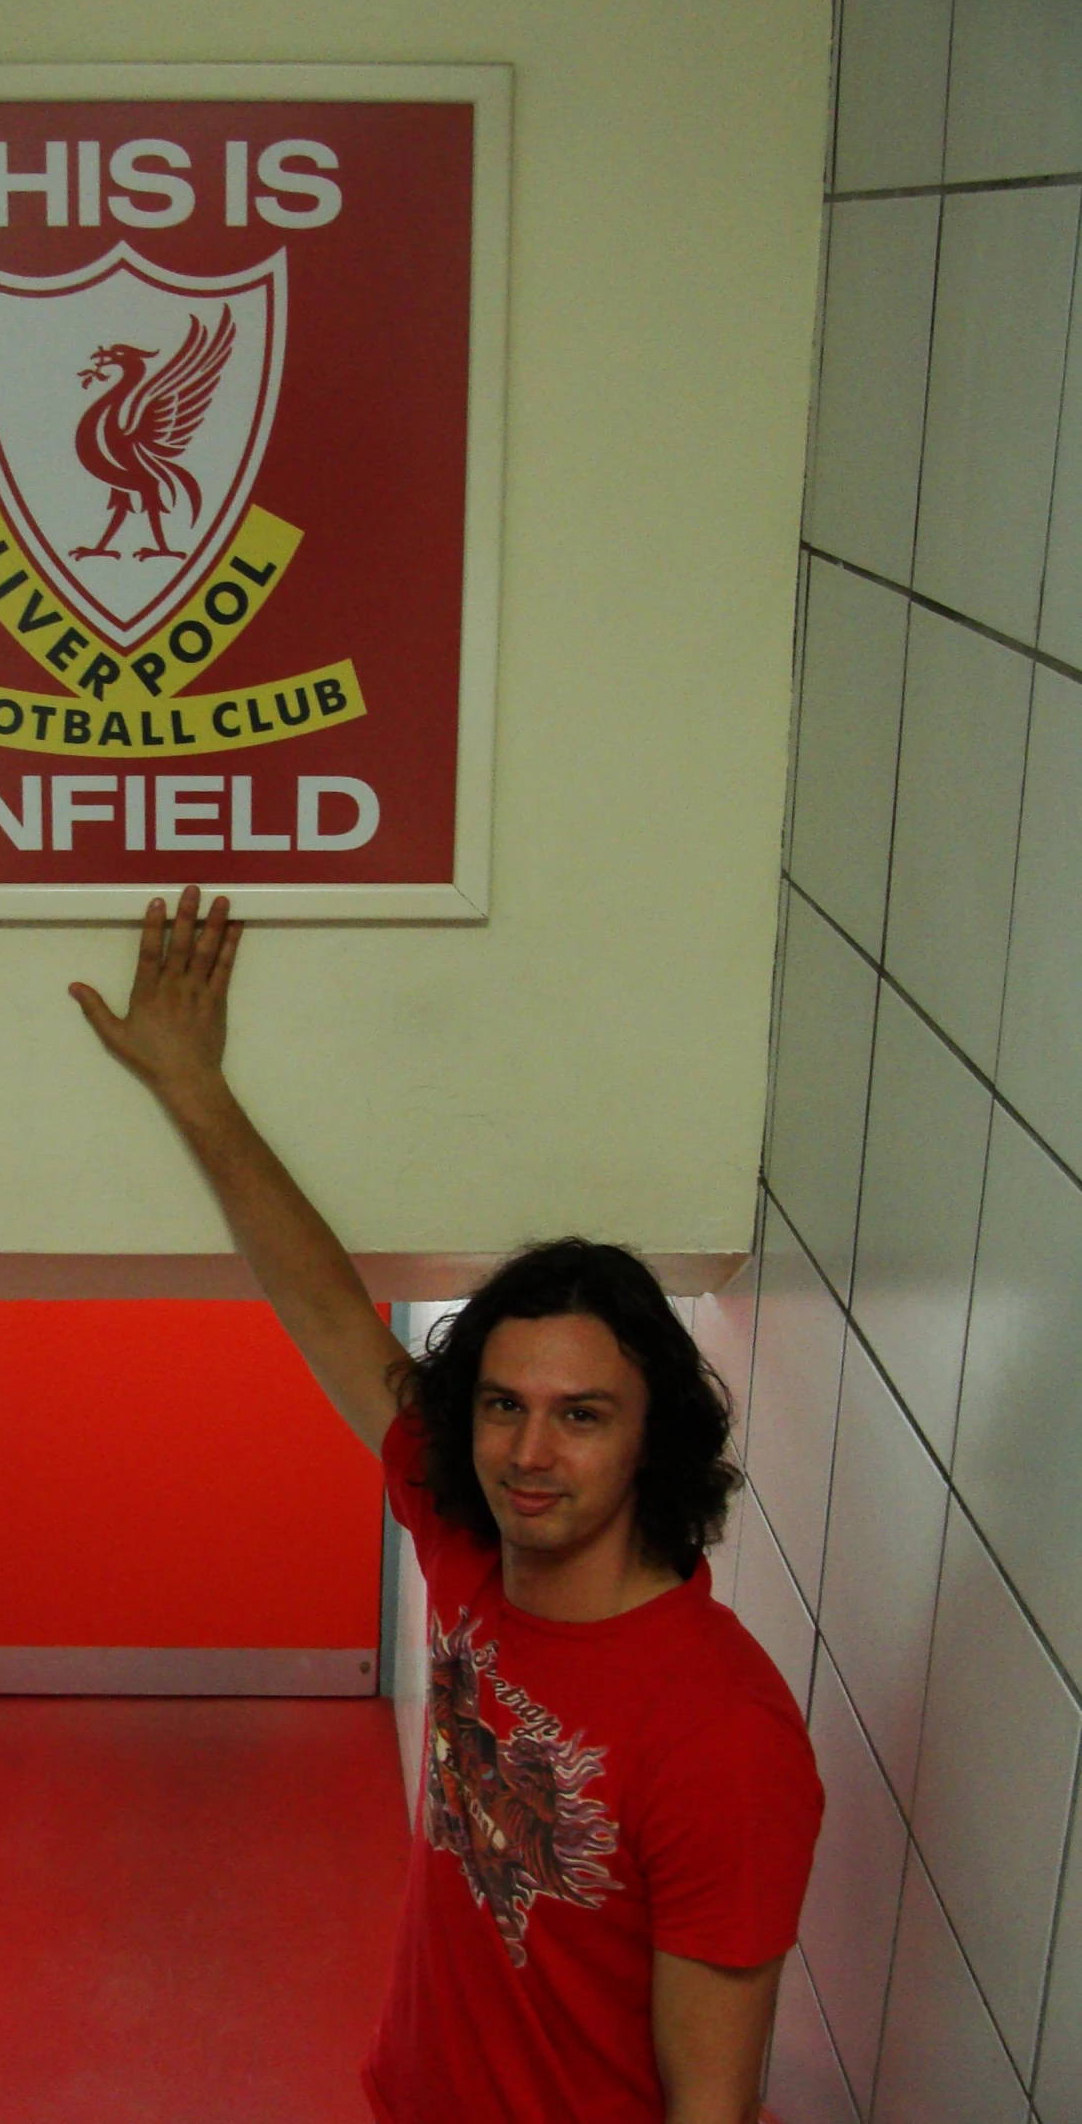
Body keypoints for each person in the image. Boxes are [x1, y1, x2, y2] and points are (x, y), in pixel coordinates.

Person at [69, 887, 823, 2124]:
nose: (529, 1450)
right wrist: (193, 1085)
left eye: (582, 1414)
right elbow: (325, 1307)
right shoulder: (470, 1541)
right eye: (501, 1405)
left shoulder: (721, 1736)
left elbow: (714, 2103)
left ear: (655, 1439)